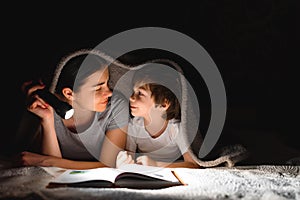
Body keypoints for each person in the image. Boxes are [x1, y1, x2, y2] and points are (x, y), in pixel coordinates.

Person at [18, 49, 130, 169]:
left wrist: (45, 161)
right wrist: (47, 120)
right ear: (69, 94)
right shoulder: (47, 106)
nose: (109, 93)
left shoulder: (116, 106)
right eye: (98, 89)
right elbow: (52, 171)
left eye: (107, 84)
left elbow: (112, 165)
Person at [116, 63, 200, 168]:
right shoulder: (134, 126)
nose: (131, 98)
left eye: (140, 94)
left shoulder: (176, 128)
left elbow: (193, 164)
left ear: (163, 104)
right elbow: (129, 157)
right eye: (134, 92)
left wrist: (156, 165)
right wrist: (124, 161)